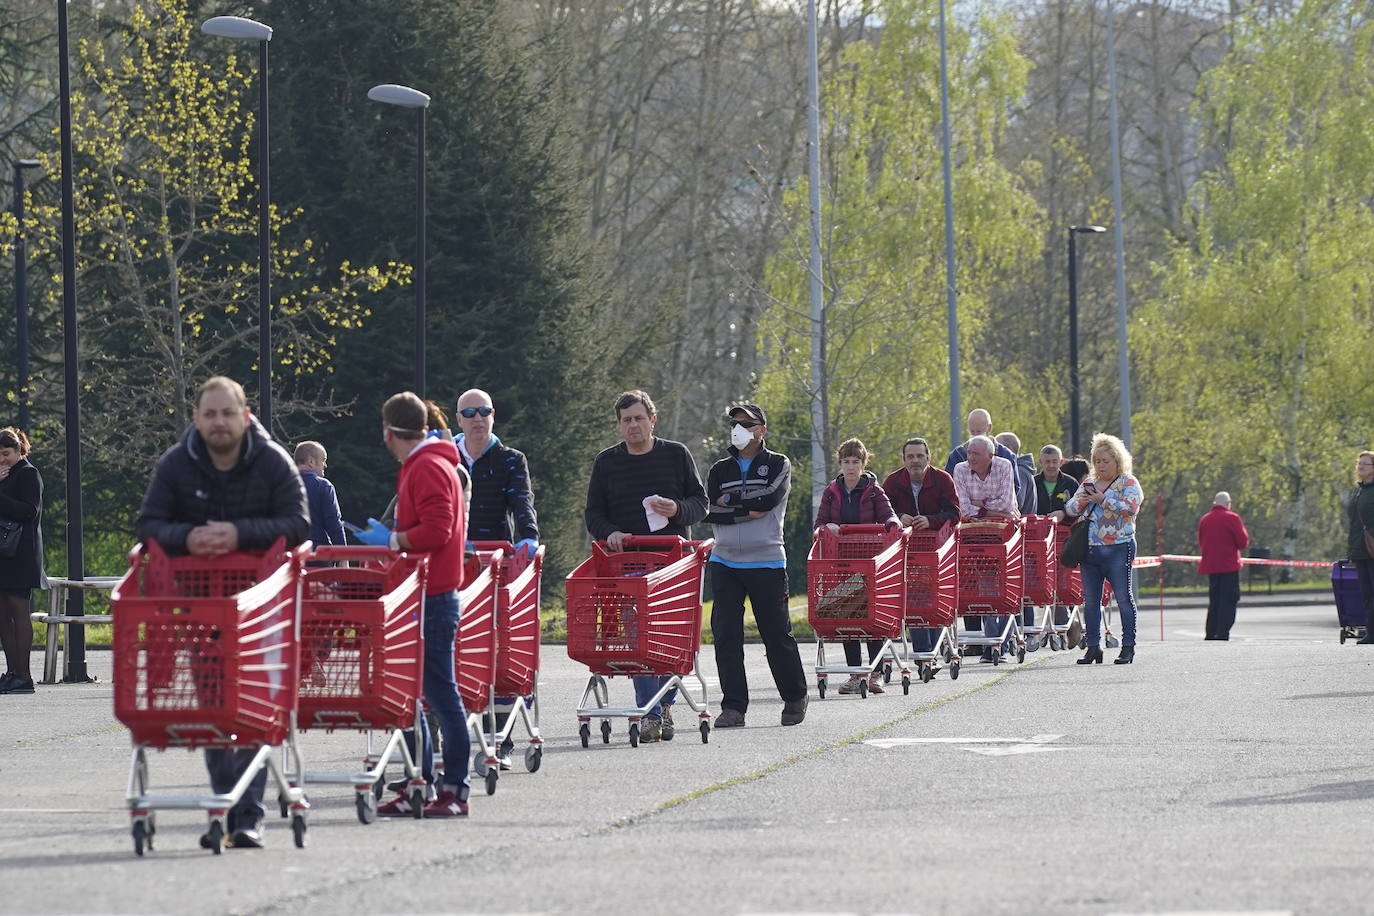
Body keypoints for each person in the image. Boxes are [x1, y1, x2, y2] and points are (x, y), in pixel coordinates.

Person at [135, 377, 309, 848]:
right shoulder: (176, 464)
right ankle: (224, 806)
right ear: (196, 419)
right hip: (198, 607)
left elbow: (298, 523)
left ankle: (247, 816)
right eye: (209, 414)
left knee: (250, 707)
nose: (218, 423)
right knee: (215, 706)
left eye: (227, 414)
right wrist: (186, 538)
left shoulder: (274, 462)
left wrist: (238, 533)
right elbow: (148, 523)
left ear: (245, 416)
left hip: (260, 607)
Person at [354, 392, 472, 818]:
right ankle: (420, 782)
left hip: (433, 595)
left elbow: (438, 529)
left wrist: (391, 540)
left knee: (439, 692)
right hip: (428, 592)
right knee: (414, 692)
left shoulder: (425, 465)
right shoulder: (432, 461)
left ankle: (455, 789)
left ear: (389, 431)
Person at [584, 390, 708, 742]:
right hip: (628, 566)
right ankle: (650, 713)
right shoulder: (606, 462)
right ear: (619, 425)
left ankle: (665, 703)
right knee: (638, 638)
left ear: (653, 420)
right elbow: (593, 514)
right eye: (627, 420)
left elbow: (702, 504)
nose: (633, 425)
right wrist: (611, 533)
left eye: (639, 418)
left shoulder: (676, 455)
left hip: (673, 564)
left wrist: (677, 510)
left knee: (672, 639)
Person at [704, 404, 808, 728]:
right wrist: (745, 510)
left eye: (746, 424)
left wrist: (731, 503)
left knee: (776, 634)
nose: (738, 429)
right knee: (725, 635)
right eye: (734, 423)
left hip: (766, 561)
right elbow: (708, 509)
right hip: (725, 562)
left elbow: (768, 499)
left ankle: (794, 695)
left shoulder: (779, 463)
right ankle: (734, 707)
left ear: (761, 429)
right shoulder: (719, 470)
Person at [815, 437, 900, 695]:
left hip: (871, 562)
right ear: (840, 464)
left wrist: (894, 525)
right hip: (840, 564)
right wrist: (825, 528)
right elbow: (819, 522)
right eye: (846, 462)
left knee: (872, 615)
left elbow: (888, 515)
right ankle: (855, 673)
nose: (851, 467)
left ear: (863, 463)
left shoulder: (874, 490)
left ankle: (875, 672)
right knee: (847, 616)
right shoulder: (832, 491)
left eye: (856, 462)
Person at [1063, 433, 1144, 665]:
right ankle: (1093, 647)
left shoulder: (1128, 482)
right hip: (1090, 550)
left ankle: (1128, 646)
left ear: (1117, 461)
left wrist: (1103, 500)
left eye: (1105, 461)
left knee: (1123, 598)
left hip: (1119, 547)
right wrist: (1082, 501)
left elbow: (1131, 508)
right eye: (1097, 461)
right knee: (1091, 600)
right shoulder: (1088, 483)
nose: (1100, 465)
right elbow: (1070, 508)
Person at [881, 437, 958, 654]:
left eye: (919, 456)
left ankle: (931, 650)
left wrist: (930, 520)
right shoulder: (893, 482)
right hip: (908, 552)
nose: (915, 461)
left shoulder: (943, 479)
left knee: (933, 598)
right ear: (904, 459)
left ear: (928, 457)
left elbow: (955, 513)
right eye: (910, 457)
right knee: (915, 598)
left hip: (937, 551)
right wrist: (899, 516)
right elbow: (883, 511)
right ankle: (924, 654)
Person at [951, 435, 1020, 661]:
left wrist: (978, 505)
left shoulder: (1004, 466)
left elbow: (1007, 504)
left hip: (1004, 534)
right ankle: (993, 644)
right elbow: (961, 506)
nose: (970, 457)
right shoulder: (960, 470)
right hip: (975, 536)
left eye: (976, 454)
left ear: (990, 456)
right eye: (969, 452)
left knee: (1005, 586)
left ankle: (1004, 641)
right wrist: (989, 509)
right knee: (985, 586)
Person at [454, 389, 538, 556]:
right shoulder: (446, 460)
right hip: (451, 556)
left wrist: (530, 536)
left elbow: (522, 502)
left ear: (492, 415)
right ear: (459, 419)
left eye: (484, 412)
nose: (478, 419)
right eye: (469, 413)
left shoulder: (512, 460)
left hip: (498, 560)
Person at [0, 427, 43, 696]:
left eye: (6, 454)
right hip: (3, 554)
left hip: (20, 553)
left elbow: (28, 511)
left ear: (19, 451)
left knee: (18, 613)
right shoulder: (5, 475)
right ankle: (11, 672)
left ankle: (24, 675)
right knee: (3, 617)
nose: (2, 460)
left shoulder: (28, 474)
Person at [1198, 491, 1250, 641]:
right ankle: (1222, 632)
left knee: (1214, 601)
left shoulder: (1205, 520)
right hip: (1229, 566)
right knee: (1229, 600)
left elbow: (1201, 542)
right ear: (1228, 503)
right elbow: (1243, 542)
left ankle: (1210, 632)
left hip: (1211, 567)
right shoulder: (1232, 518)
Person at [943, 408, 1023, 504]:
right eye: (972, 432)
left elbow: (1014, 492)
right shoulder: (957, 455)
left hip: (1000, 516)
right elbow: (950, 491)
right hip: (968, 516)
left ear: (989, 428)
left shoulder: (1006, 455)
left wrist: (976, 503)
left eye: (979, 431)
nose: (976, 435)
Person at [294, 441, 346, 551]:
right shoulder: (323, 486)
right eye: (323, 460)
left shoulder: (280, 485)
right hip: (318, 554)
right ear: (311, 461)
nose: (325, 465)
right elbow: (334, 524)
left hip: (288, 554)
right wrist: (343, 557)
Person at [1347, 452, 1374, 644]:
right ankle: (1371, 632)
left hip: (1372, 546)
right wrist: (1351, 551)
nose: (1361, 466)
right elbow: (1354, 524)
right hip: (1361, 549)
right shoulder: (1358, 490)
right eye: (1359, 463)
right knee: (1366, 593)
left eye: (1366, 463)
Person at [996, 432, 1037, 516]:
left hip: (1020, 527)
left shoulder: (1020, 471)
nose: (994, 452)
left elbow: (1017, 502)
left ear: (1008, 449)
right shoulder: (1020, 468)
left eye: (997, 448)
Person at [1035, 445, 1079, 518]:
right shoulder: (1032, 483)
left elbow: (1080, 508)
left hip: (1067, 528)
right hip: (1036, 528)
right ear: (1040, 462)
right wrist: (1035, 517)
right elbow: (1025, 509)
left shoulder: (1071, 483)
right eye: (1047, 461)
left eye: (1054, 461)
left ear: (1061, 462)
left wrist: (1064, 513)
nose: (1051, 465)